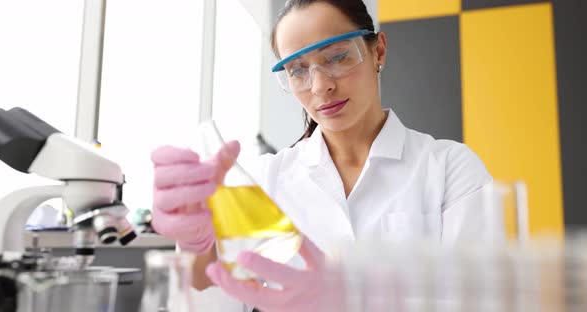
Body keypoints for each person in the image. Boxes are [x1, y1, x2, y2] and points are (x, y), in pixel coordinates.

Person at [150, 0, 493, 310]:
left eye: (338, 56)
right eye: (298, 70)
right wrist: (196, 246)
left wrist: (348, 299)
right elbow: (220, 300)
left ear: (379, 51)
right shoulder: (265, 181)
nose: (320, 86)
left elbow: (483, 301)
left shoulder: (450, 169)